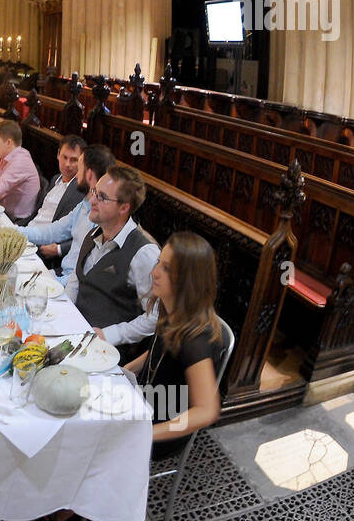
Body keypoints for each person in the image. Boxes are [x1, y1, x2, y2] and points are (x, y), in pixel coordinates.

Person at [122, 232, 224, 458]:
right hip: (144, 401)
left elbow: (206, 411)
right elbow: (158, 351)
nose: (154, 272)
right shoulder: (170, 306)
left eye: (167, 269)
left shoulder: (196, 341)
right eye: (159, 262)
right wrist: (125, 370)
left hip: (162, 427)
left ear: (188, 280)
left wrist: (147, 432)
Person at [62, 164, 160, 353]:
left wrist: (110, 335)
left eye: (102, 197)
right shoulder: (93, 232)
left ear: (124, 208)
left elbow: (154, 316)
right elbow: (76, 278)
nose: (92, 200)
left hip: (107, 352)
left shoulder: (144, 252)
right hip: (75, 333)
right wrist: (64, 312)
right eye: (95, 192)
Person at [24, 144, 113, 283]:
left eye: (80, 168)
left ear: (89, 174)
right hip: (60, 275)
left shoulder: (102, 218)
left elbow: (84, 274)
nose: (76, 174)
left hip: (70, 285)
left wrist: (48, 282)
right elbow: (51, 232)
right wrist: (11, 231)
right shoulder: (83, 206)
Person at [32, 135, 86, 225]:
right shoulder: (55, 179)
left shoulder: (80, 190)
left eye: (74, 160)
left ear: (81, 161)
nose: (67, 164)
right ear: (58, 154)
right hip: (29, 228)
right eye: (64, 157)